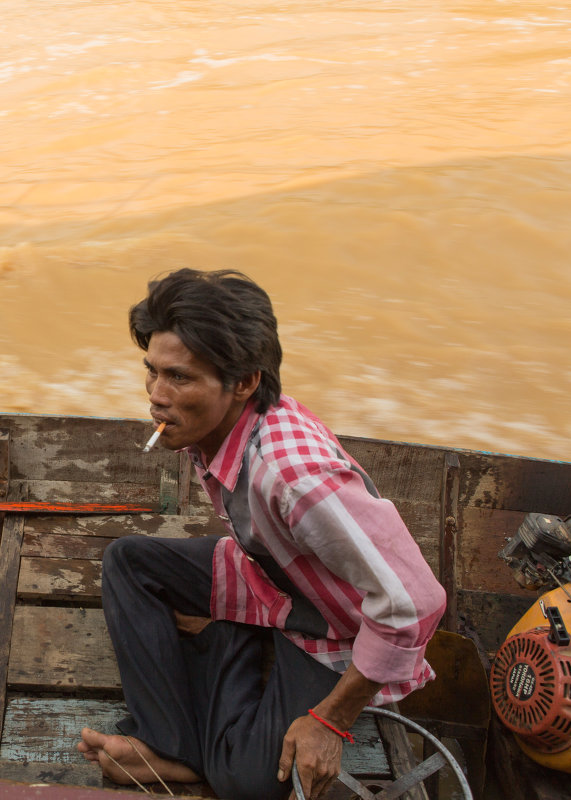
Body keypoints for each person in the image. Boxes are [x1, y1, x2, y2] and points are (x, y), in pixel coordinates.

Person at [76, 269, 447, 800]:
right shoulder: (222, 424)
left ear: (245, 382)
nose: (156, 396)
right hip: (268, 577)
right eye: (151, 372)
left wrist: (330, 721)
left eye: (179, 378)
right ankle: (167, 745)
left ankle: (225, 662)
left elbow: (415, 602)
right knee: (128, 562)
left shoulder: (294, 477)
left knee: (246, 784)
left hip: (332, 624)